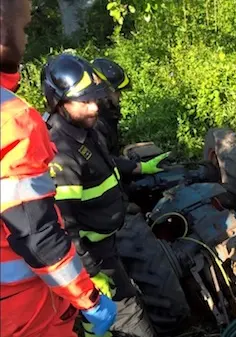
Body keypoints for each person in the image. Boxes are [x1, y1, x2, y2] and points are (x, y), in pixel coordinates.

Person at [0, 1, 116, 336]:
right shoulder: (13, 120)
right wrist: (89, 299)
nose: (25, 37)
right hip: (26, 315)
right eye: (23, 28)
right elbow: (38, 236)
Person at [41, 53, 165, 337]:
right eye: (84, 101)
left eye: (95, 98)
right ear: (58, 103)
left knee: (111, 317)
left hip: (109, 243)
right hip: (94, 258)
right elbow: (64, 228)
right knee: (129, 321)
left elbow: (105, 163)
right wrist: (89, 274)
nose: (94, 107)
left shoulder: (85, 131)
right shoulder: (62, 154)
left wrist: (139, 166)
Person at [91, 57, 131, 156]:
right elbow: (105, 161)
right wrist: (136, 166)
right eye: (117, 92)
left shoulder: (108, 113)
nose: (120, 96)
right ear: (104, 90)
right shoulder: (96, 122)